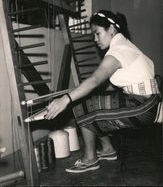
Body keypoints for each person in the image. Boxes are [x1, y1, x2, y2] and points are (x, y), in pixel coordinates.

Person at [45, 10, 161, 173]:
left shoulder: (119, 50)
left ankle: (90, 159)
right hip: (147, 103)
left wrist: (65, 99)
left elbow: (95, 79)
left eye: (97, 33)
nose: (95, 39)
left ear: (112, 29)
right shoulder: (125, 45)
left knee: (80, 105)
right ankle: (107, 150)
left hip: (142, 108)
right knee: (91, 102)